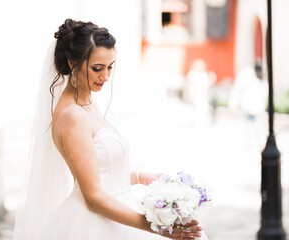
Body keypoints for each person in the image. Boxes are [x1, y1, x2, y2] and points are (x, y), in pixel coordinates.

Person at [13, 18, 205, 240]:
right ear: (73, 63)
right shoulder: (73, 116)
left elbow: (100, 172)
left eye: (110, 67)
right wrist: (155, 227)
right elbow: (93, 196)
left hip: (117, 209)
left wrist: (140, 177)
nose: (105, 77)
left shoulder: (87, 104)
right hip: (95, 223)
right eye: (97, 68)